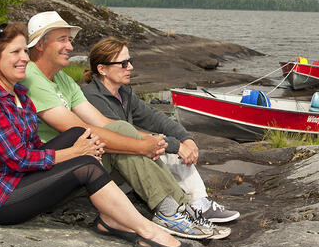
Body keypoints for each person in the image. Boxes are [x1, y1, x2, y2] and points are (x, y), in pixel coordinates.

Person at [0, 22, 191, 247]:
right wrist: (76, 153)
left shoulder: (20, 95)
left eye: (24, 51)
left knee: (81, 133)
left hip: (19, 179)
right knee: (85, 164)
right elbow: (19, 158)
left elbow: (34, 146)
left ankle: (115, 218)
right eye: (15, 52)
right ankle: (146, 230)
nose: (24, 58)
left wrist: (83, 146)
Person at [19, 11, 228, 240]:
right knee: (125, 138)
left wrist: (147, 142)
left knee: (123, 130)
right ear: (39, 45)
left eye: (70, 39)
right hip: (53, 171)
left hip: (80, 162)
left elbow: (102, 122)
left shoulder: (63, 79)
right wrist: (140, 145)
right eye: (62, 39)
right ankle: (171, 212)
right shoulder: (31, 77)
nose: (70, 46)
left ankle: (178, 208)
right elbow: (79, 130)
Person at [81, 37, 239, 223]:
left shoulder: (123, 93)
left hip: (126, 163)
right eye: (123, 63)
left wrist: (185, 138)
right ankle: (184, 208)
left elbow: (155, 118)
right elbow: (122, 135)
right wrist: (175, 145)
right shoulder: (91, 97)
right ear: (102, 69)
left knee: (169, 148)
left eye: (130, 61)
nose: (130, 67)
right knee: (168, 151)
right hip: (109, 168)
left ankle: (198, 203)